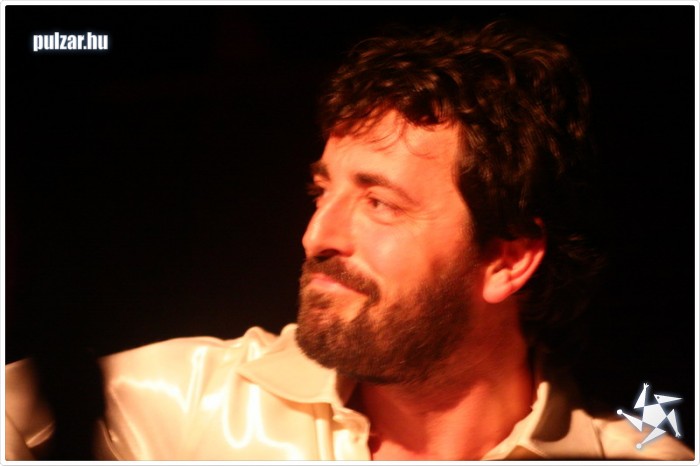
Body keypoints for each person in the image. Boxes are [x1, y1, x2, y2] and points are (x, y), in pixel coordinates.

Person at [4, 21, 694, 461]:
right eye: (322, 192)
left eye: (379, 202)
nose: (316, 237)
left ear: (507, 259)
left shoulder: (632, 455)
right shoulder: (186, 403)